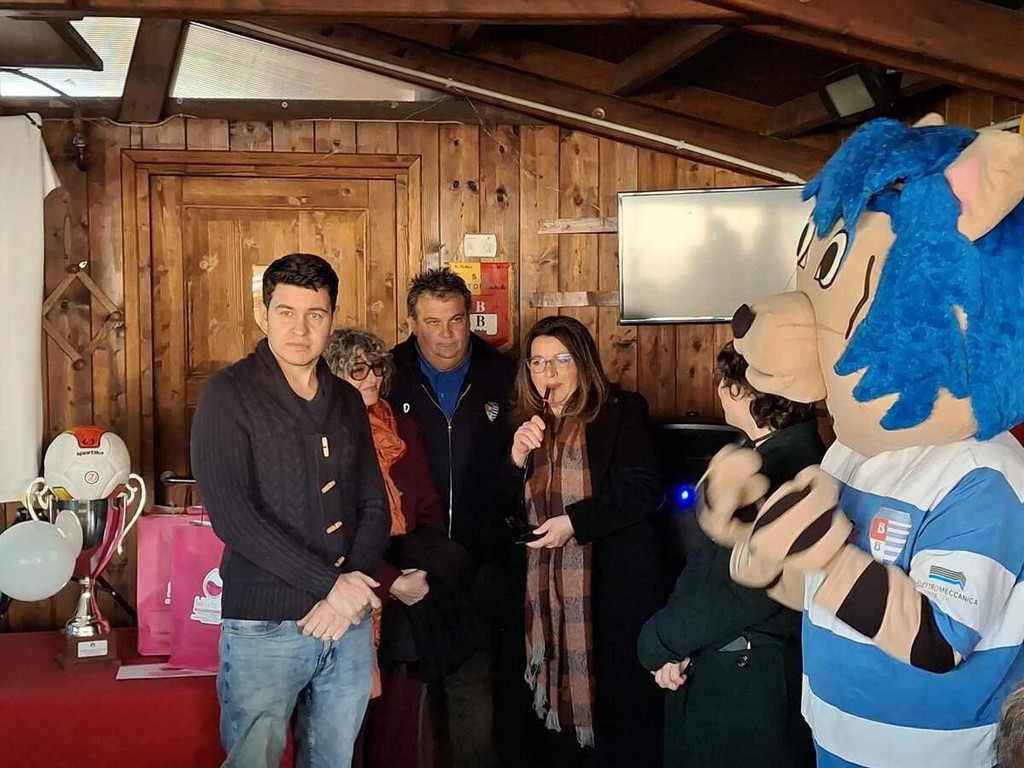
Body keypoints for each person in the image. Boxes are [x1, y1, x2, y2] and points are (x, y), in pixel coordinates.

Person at [191, 253, 390, 768]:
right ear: (263, 314)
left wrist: (347, 595)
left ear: (332, 317)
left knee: (333, 760)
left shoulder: (347, 400)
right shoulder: (228, 394)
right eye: (286, 312)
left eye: (314, 314)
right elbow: (233, 517)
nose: (299, 329)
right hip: (264, 624)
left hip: (345, 622)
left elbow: (374, 504)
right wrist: (330, 586)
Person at [637, 341, 821, 768]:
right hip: (741, 664)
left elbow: (744, 589)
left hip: (746, 681)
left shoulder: (775, 469)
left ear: (742, 389)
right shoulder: (786, 453)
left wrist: (659, 642)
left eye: (723, 381)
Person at [508, 315, 666, 768]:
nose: (549, 372)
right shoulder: (525, 422)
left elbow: (643, 490)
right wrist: (515, 457)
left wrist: (575, 524)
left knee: (616, 717)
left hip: (608, 586)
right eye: (538, 362)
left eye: (561, 360)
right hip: (543, 594)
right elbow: (501, 510)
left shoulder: (620, 411)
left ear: (583, 362)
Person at [325, 328, 474, 768]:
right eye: (357, 370)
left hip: (409, 590)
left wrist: (420, 564)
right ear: (333, 375)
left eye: (376, 367)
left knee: (401, 724)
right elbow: (330, 528)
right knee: (344, 726)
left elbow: (427, 503)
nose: (371, 377)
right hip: (351, 592)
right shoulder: (323, 435)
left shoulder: (400, 425)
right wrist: (391, 581)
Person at [386, 267, 516, 768]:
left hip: (477, 563)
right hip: (407, 560)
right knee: (403, 692)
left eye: (456, 320)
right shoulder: (387, 373)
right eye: (432, 322)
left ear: (470, 318)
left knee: (473, 685)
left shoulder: (502, 374)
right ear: (412, 323)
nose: (446, 335)